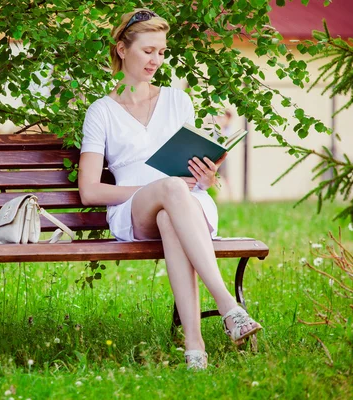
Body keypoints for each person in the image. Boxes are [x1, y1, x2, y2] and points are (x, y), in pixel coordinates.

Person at [78, 8, 262, 370]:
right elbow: (90, 192)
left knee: (170, 215)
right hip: (132, 211)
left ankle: (195, 348)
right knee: (168, 192)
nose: (156, 60)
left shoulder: (178, 101)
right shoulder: (101, 112)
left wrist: (205, 178)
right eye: (148, 51)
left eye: (161, 52)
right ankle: (228, 306)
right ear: (121, 49)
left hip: (186, 204)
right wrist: (158, 186)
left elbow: (193, 173)